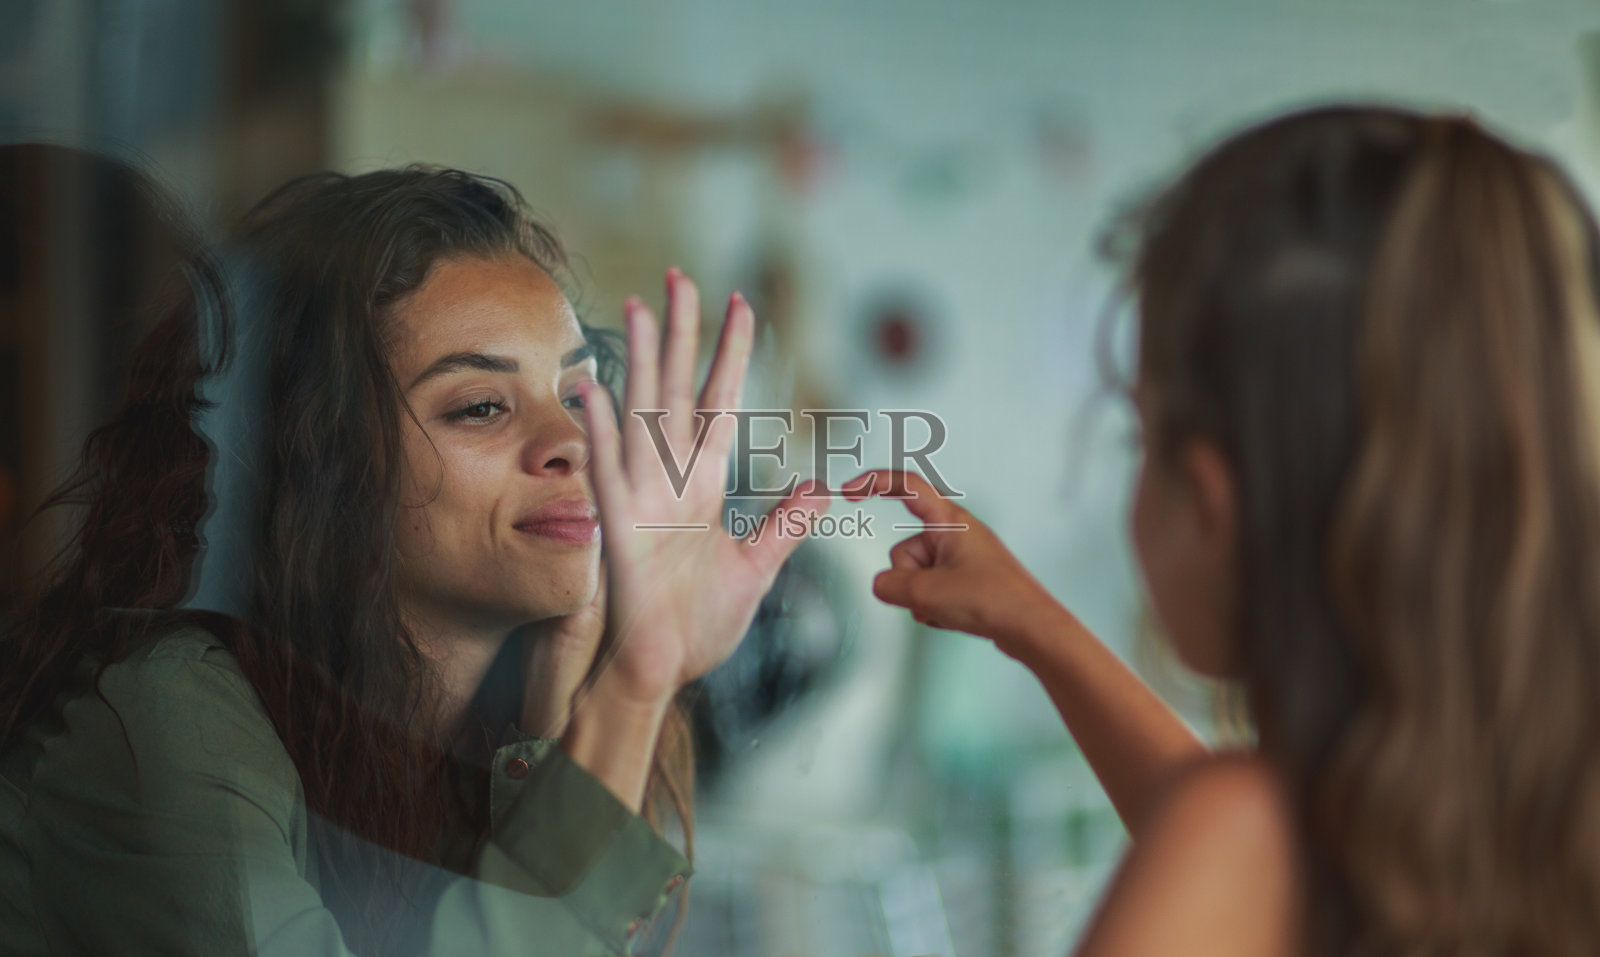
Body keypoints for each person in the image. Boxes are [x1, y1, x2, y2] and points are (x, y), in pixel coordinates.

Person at [0, 166, 824, 955]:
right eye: (481, 406)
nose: (571, 442)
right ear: (325, 469)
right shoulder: (164, 718)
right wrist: (636, 680)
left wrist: (557, 733)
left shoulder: (482, 737)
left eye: (577, 397)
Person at [848, 105, 1600, 955]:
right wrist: (1034, 624)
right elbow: (1272, 866)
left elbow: (1241, 851)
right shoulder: (1529, 805)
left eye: (1140, 436)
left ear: (1211, 501)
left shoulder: (1242, 837)